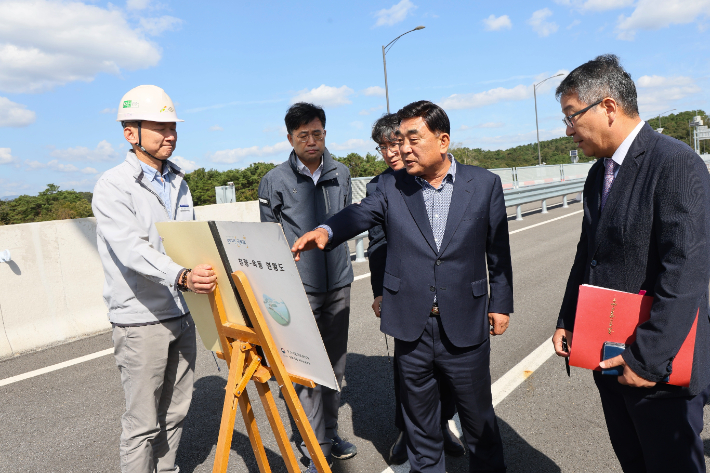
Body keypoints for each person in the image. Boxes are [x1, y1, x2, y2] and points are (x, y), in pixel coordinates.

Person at [292, 100, 513, 473]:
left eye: (413, 138)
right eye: (400, 140)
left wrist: (501, 303)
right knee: (421, 429)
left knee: (479, 425)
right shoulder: (392, 186)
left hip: (465, 322)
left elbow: (498, 251)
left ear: (442, 141)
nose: (403, 149)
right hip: (412, 326)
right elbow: (361, 213)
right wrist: (327, 230)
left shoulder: (484, 184)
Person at [551, 55, 710, 472]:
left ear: (607, 107)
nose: (568, 129)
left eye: (571, 116)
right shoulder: (597, 173)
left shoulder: (673, 162)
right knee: (634, 461)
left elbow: (686, 269)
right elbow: (588, 254)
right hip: (609, 353)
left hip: (658, 366)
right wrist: (568, 318)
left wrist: (648, 360)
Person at [92, 85, 217, 473]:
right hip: (140, 320)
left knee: (177, 411)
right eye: (160, 127)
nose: (171, 136)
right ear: (131, 133)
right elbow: (131, 250)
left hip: (182, 312)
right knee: (143, 423)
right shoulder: (113, 185)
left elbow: (188, 239)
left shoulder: (178, 181)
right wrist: (180, 276)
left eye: (173, 127)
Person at [258, 102, 357, 472]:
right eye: (303, 136)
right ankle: (311, 444)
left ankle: (329, 435)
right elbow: (269, 236)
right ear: (290, 138)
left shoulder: (341, 172)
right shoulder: (274, 180)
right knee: (303, 370)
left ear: (325, 133)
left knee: (334, 367)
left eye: (317, 133)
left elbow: (346, 220)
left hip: (339, 283)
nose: (311, 141)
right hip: (298, 288)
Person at [367, 113, 464, 465]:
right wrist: (379, 291)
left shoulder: (439, 175)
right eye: (383, 147)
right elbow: (376, 243)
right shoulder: (379, 186)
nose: (391, 152)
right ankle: (407, 433)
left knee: (450, 370)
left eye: (395, 143)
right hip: (403, 292)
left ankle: (442, 425)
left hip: (446, 292)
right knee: (406, 374)